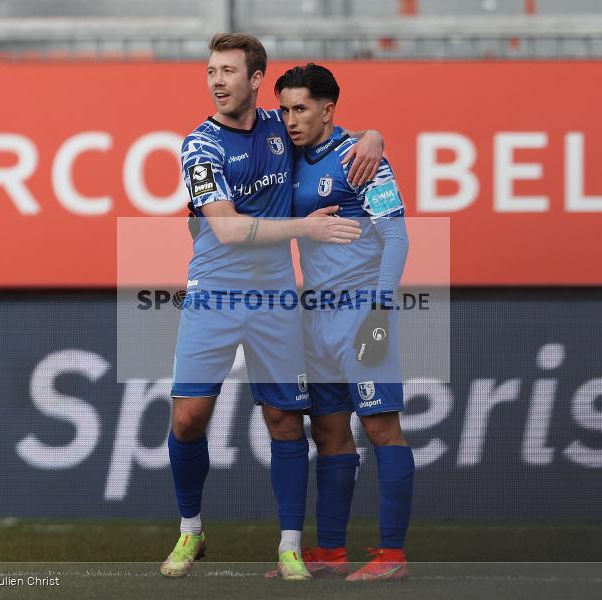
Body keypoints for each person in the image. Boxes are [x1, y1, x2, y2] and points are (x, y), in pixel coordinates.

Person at [161, 33, 384, 581]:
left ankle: (288, 545)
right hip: (213, 293)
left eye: (228, 71)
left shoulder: (280, 128)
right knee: (189, 418)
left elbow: (333, 137)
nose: (216, 81)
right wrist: (306, 228)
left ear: (256, 78)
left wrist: (374, 137)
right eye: (211, 71)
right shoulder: (199, 146)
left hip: (276, 298)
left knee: (285, 420)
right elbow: (229, 229)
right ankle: (191, 530)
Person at [276, 63, 414, 581]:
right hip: (315, 319)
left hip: (362, 311)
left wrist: (379, 309)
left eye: (301, 109)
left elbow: (396, 237)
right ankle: (332, 551)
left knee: (381, 427)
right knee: (329, 432)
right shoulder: (286, 154)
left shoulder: (362, 158)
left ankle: (392, 556)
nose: (291, 119)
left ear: (328, 109)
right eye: (285, 109)